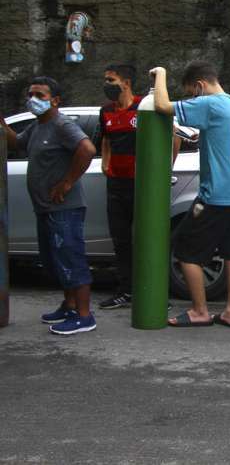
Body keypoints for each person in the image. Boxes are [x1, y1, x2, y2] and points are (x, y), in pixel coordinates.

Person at [149, 62, 230, 329]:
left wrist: (161, 73)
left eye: (192, 93)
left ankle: (200, 311)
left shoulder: (211, 104)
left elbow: (161, 105)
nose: (193, 98)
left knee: (185, 250)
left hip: (214, 196)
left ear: (199, 86)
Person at [0, 76, 97, 334]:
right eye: (31, 95)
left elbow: (86, 149)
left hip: (65, 209)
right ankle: (69, 304)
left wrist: (67, 183)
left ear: (55, 100)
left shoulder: (61, 124)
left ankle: (85, 316)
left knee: (71, 258)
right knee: (55, 260)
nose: (33, 100)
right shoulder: (37, 126)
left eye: (40, 96)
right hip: (45, 208)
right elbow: (17, 143)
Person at [96, 64, 181, 310]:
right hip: (116, 185)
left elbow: (173, 136)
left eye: (111, 80)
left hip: (142, 186)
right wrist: (105, 163)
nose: (107, 85)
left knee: (148, 238)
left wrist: (165, 169)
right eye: (106, 80)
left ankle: (155, 293)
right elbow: (105, 140)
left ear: (126, 82)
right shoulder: (106, 112)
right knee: (121, 241)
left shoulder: (145, 107)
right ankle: (126, 291)